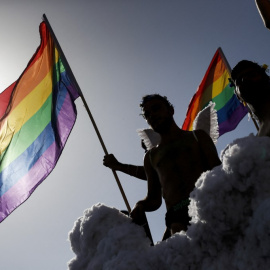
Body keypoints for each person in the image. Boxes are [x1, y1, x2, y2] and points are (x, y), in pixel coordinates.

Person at [130, 94, 221, 236]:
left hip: (207, 206)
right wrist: (140, 205)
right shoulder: (150, 157)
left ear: (170, 110)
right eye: (147, 114)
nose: (152, 115)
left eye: (156, 108)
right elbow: (154, 199)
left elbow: (218, 174)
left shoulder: (197, 137)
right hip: (176, 217)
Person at [230, 60, 270, 137]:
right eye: (239, 80)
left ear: (267, 79)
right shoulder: (257, 142)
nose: (245, 79)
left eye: (252, 75)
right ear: (238, 96)